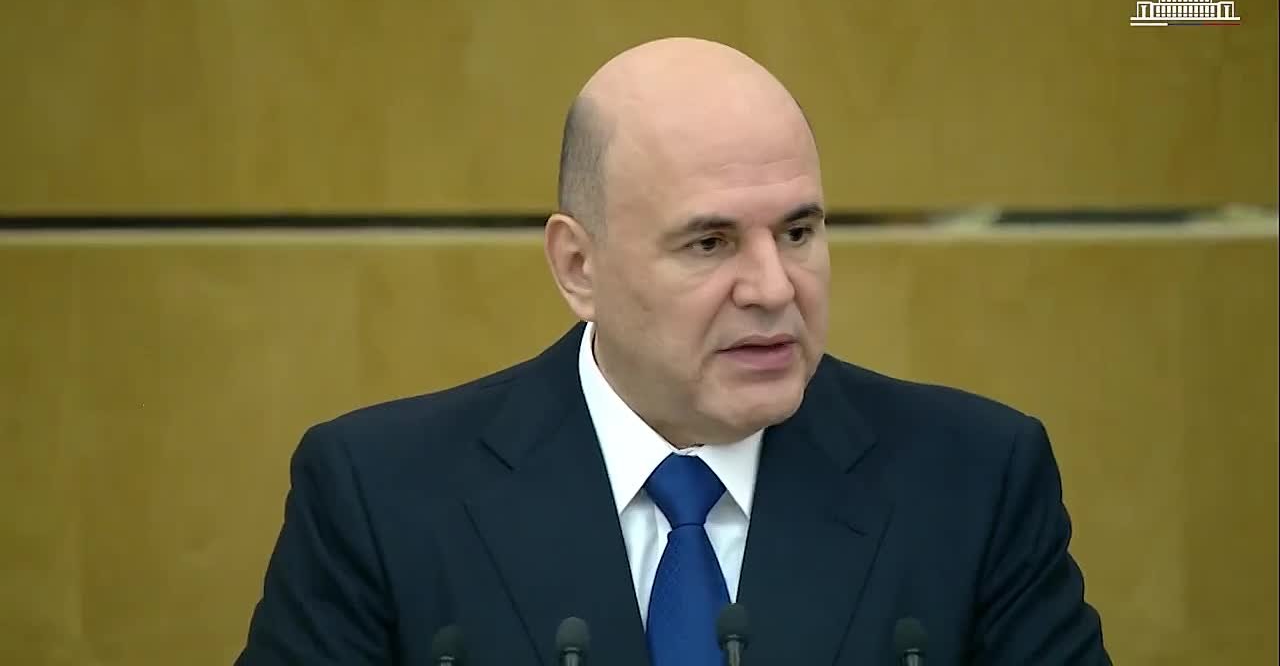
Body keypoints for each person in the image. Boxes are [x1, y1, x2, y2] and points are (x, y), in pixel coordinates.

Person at [235, 37, 1111, 665]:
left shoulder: (973, 480)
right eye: (710, 243)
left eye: (797, 232)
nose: (773, 287)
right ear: (579, 267)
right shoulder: (381, 497)